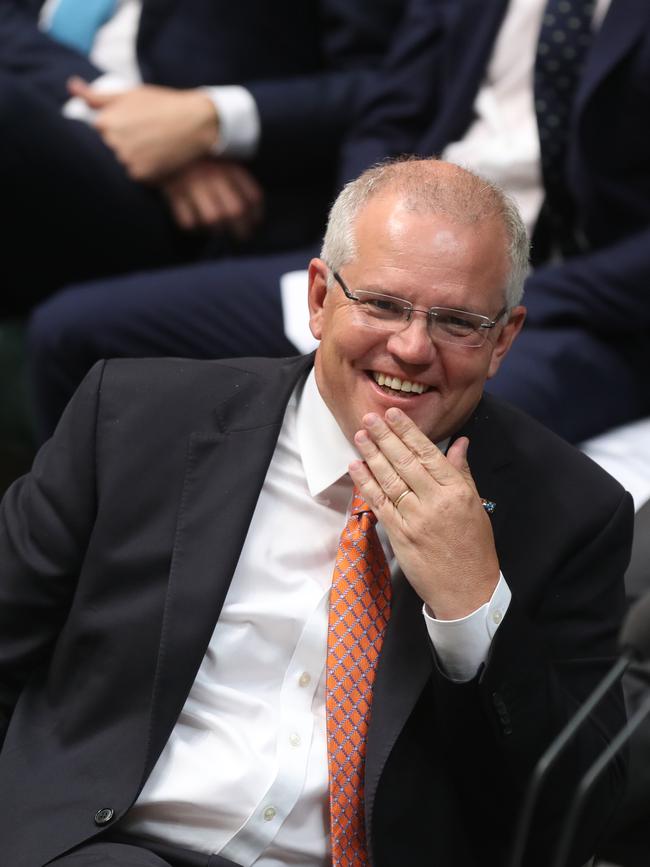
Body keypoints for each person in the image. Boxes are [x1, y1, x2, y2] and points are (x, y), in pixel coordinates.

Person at [0, 159, 632, 867]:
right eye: (384, 305)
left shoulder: (570, 512)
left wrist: (475, 608)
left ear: (504, 339)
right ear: (319, 297)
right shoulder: (139, 417)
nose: (412, 347)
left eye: (457, 321)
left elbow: (585, 818)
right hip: (110, 847)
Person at [27, 0, 650, 444]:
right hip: (389, 264)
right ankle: (98, 590)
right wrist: (370, 249)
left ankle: (358, 624)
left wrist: (505, 302)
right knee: (75, 336)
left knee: (443, 429)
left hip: (581, 304)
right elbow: (389, 112)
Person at [0, 0, 402, 314]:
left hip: (224, 209)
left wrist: (214, 120)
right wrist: (127, 119)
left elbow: (394, 83)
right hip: (60, 103)